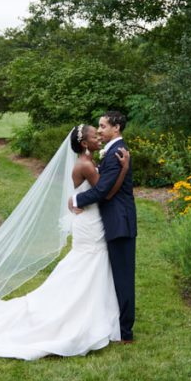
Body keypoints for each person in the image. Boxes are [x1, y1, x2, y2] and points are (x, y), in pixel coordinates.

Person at [0, 124, 130, 360]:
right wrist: (124, 168)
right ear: (85, 144)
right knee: (86, 262)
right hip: (89, 222)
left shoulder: (86, 161)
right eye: (94, 136)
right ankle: (73, 310)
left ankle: (95, 310)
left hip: (91, 217)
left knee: (90, 264)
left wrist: (76, 198)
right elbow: (106, 194)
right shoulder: (85, 164)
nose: (99, 137)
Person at [69, 111, 137, 343]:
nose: (99, 131)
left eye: (103, 126)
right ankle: (112, 322)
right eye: (97, 127)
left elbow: (104, 192)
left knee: (123, 276)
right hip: (108, 220)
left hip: (119, 222)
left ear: (116, 128)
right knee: (115, 273)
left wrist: (76, 200)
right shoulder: (110, 153)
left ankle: (125, 331)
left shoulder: (117, 152)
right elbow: (104, 190)